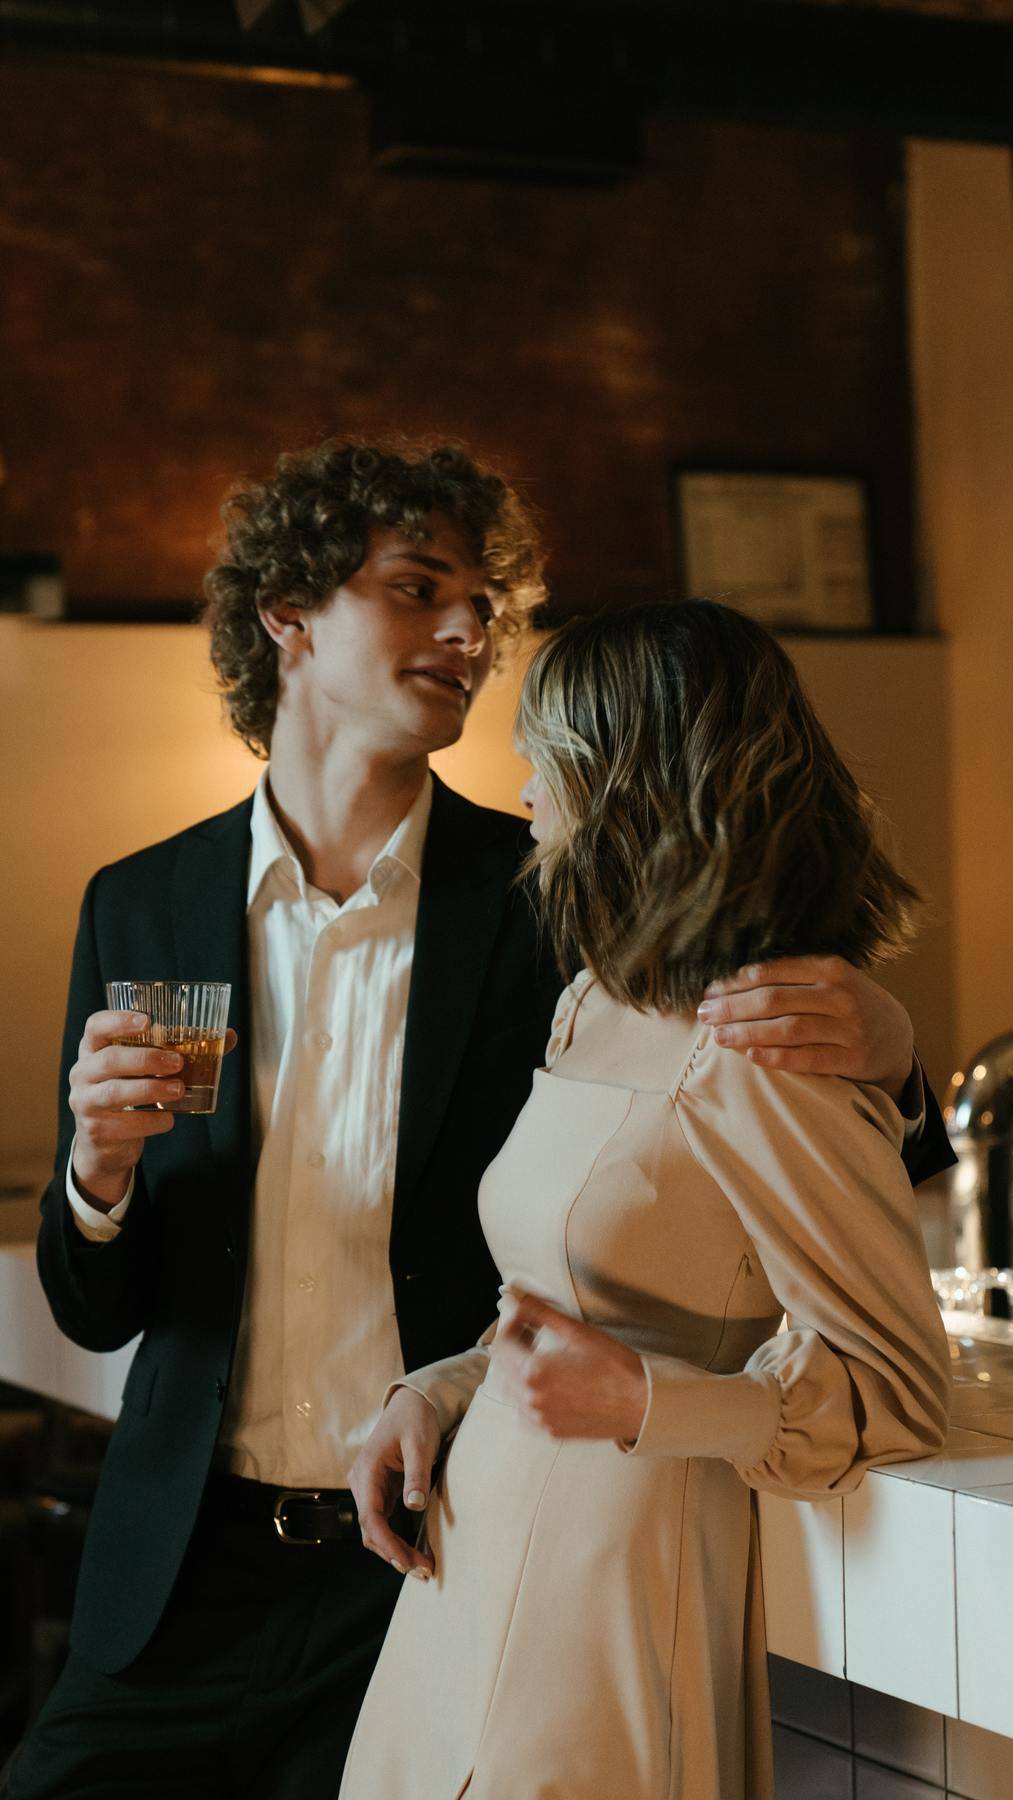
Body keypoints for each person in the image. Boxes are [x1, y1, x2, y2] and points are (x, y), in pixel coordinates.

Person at [11, 442, 953, 1800]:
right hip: (185, 1570)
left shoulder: (560, 894)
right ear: (289, 614)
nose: (470, 634)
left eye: (483, 606)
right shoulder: (139, 903)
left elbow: (788, 1151)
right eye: (417, 590)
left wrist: (901, 1057)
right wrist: (96, 1178)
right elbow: (100, 1306)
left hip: (432, 1552)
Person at [339, 600, 952, 1800]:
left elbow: (897, 1388)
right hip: (464, 1557)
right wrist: (441, 1388)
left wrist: (645, 1400)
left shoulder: (763, 1036)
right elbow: (570, 1301)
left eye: (547, 751)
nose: (521, 779)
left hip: (616, 1582)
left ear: (630, 781)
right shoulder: (593, 1001)